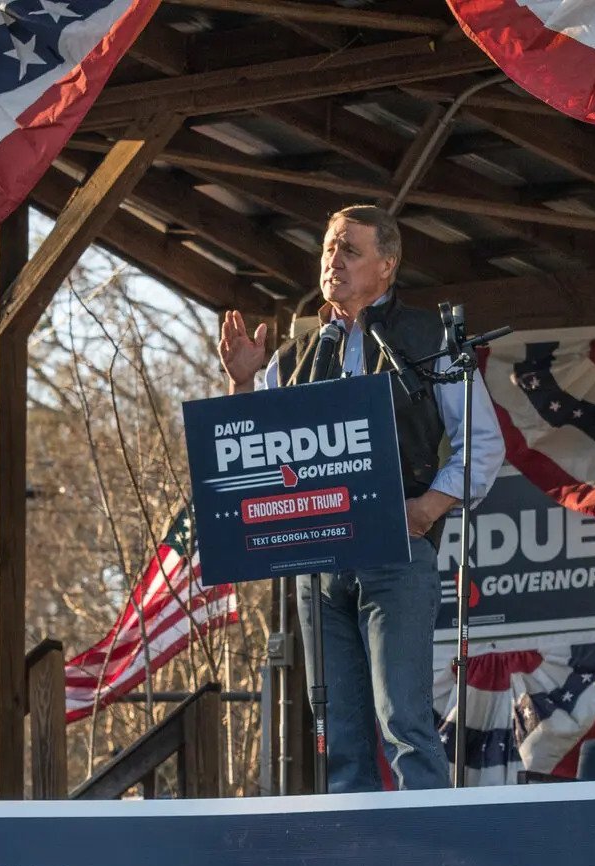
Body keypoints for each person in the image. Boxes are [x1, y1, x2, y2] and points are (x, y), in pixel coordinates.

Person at [215, 205, 504, 793]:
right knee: (339, 737)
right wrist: (243, 382)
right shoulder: (296, 356)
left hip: (395, 553)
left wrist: (426, 509)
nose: (333, 259)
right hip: (317, 562)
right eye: (327, 247)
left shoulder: (424, 339)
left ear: (386, 267)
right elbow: (246, 455)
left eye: (349, 249)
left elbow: (483, 442)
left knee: (403, 724)